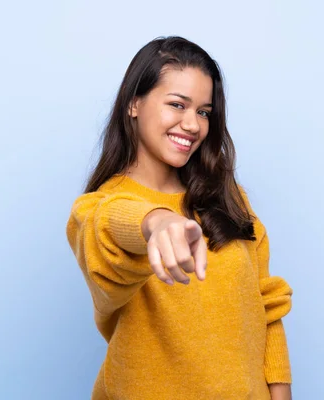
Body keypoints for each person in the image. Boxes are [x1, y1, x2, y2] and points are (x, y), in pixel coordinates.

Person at [66, 36, 293, 400]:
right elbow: (107, 223)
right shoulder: (97, 208)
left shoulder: (228, 198)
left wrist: (280, 394)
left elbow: (266, 302)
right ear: (133, 103)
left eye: (203, 111)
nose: (193, 125)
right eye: (177, 105)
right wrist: (157, 222)